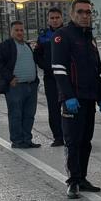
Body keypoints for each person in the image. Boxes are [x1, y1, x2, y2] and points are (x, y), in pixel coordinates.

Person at [49, 0, 101, 198]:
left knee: (85, 141)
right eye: (81, 12)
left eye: (88, 12)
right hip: (72, 100)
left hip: (89, 97)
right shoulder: (62, 36)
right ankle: (72, 181)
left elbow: (97, 70)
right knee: (72, 141)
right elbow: (58, 69)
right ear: (72, 14)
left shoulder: (89, 38)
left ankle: (82, 177)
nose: (85, 16)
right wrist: (67, 97)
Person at [0, 20, 40, 149]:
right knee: (16, 115)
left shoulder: (27, 45)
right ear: (11, 32)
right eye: (16, 30)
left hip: (31, 86)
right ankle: (17, 141)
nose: (19, 32)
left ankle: (27, 140)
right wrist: (9, 78)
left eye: (21, 30)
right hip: (15, 87)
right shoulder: (6, 46)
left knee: (29, 115)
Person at [33, 8, 66, 147]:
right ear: (48, 20)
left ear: (62, 18)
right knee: (54, 108)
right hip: (50, 78)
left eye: (57, 17)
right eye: (52, 18)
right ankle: (58, 137)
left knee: (70, 108)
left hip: (67, 77)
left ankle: (70, 135)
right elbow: (37, 55)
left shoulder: (68, 33)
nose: (55, 20)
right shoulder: (43, 36)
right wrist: (45, 66)